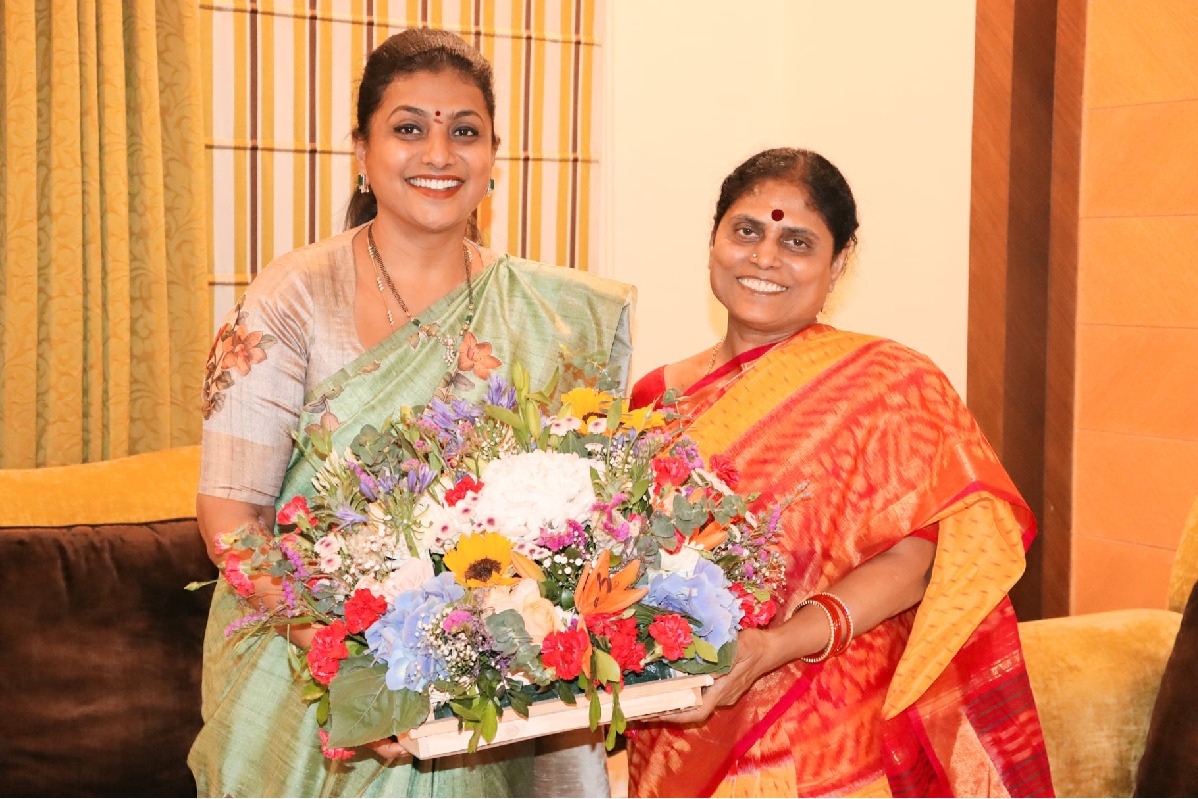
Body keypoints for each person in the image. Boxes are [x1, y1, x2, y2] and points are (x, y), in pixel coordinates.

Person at [190, 28, 632, 797]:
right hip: (312, 662)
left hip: (496, 679)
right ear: (362, 149)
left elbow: (578, 519)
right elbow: (231, 510)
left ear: (494, 156)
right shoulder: (295, 293)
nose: (439, 152)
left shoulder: (550, 313)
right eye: (408, 128)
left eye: (465, 131)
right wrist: (347, 660)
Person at [626, 148, 1054, 797]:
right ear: (713, 239)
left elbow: (918, 561)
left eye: (797, 240)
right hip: (675, 727)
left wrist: (775, 644)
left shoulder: (889, 384)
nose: (766, 257)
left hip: (826, 732)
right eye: (747, 230)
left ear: (838, 262)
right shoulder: (654, 397)